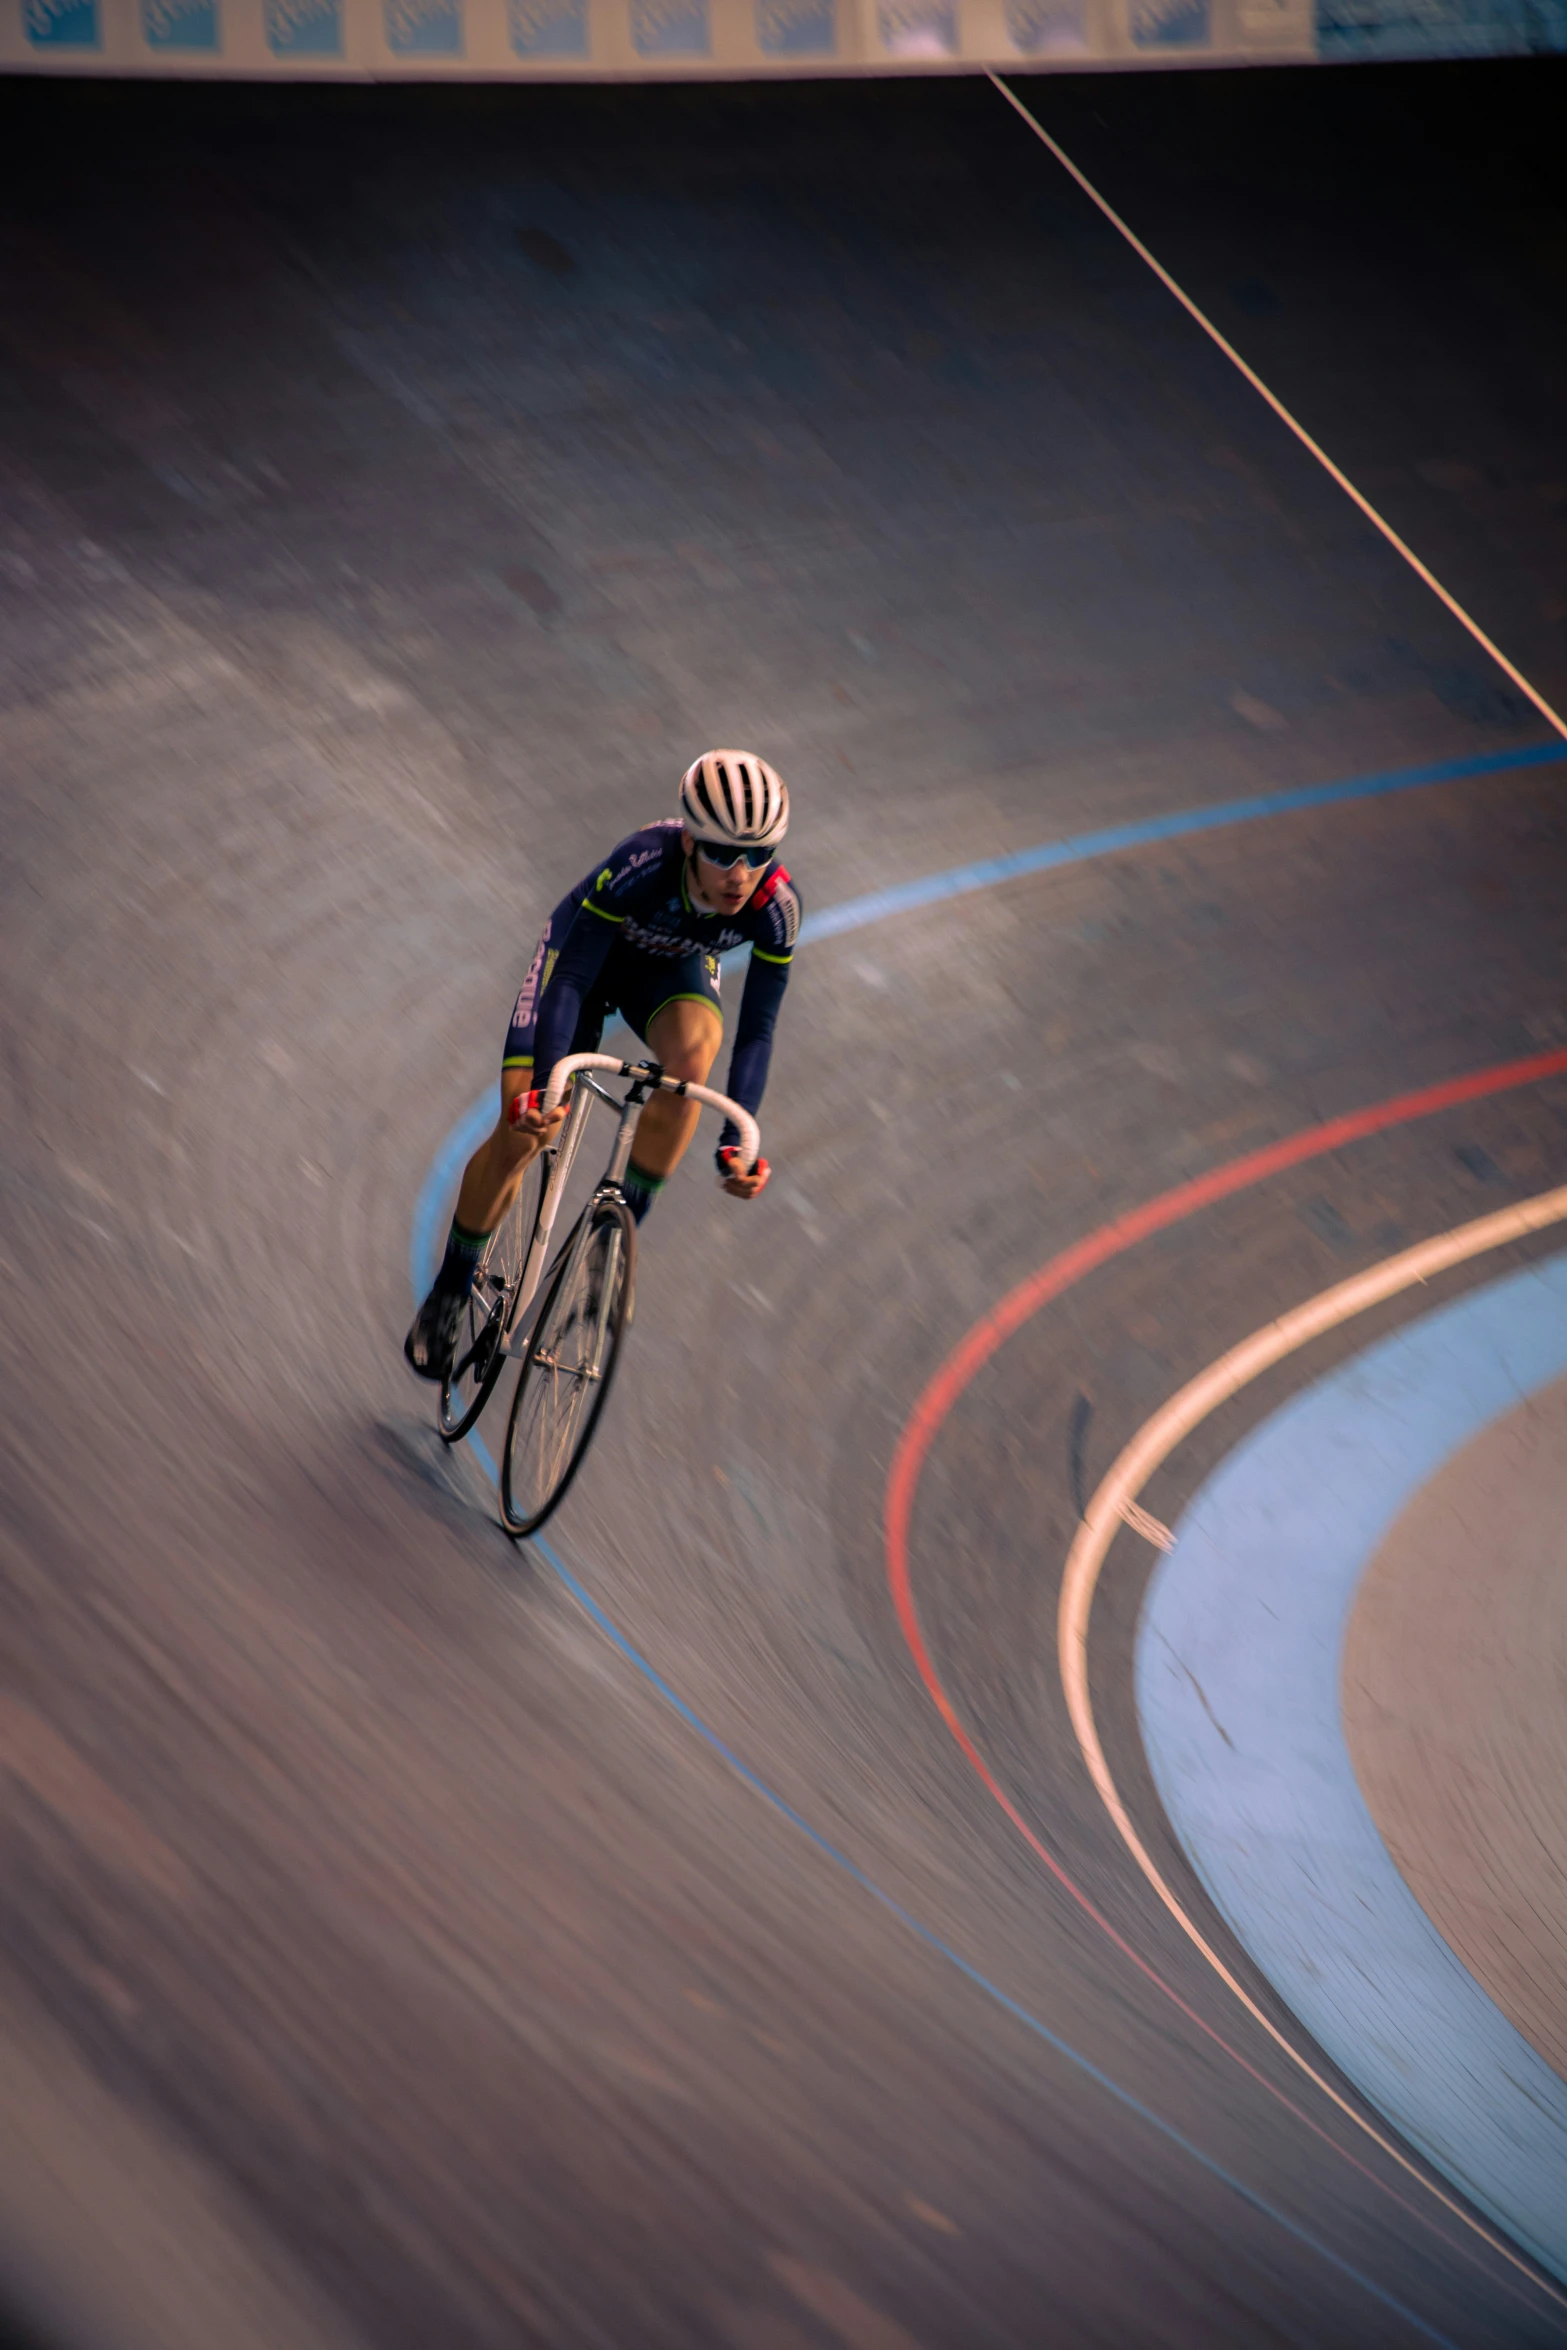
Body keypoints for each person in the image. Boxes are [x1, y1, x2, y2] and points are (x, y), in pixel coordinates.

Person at [405, 749, 802, 1380]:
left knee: (692, 1062)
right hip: (582, 967)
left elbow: (756, 1030)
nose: (741, 873)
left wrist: (738, 1139)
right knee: (526, 1132)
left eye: (759, 855)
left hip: (668, 975)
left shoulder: (776, 909)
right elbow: (572, 978)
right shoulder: (642, 863)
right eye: (725, 853)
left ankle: (610, 1242)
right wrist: (542, 1088)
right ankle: (452, 1287)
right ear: (694, 843)